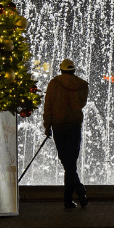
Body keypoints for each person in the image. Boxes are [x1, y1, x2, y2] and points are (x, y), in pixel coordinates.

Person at [43, 58, 89, 208]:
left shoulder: (54, 84)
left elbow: (48, 106)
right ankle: (70, 198)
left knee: (67, 164)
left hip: (59, 126)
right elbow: (81, 104)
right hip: (75, 126)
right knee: (71, 164)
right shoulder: (81, 85)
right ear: (74, 70)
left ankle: (76, 194)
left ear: (61, 70)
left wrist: (47, 126)